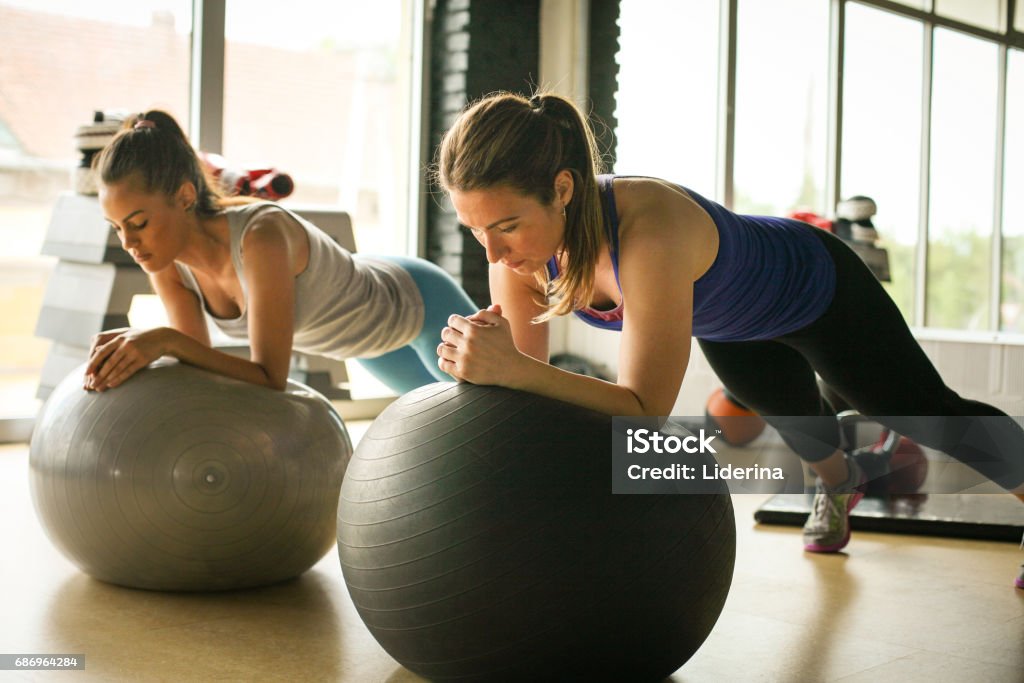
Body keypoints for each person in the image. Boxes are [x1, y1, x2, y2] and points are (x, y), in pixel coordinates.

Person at [432, 91, 1024, 587]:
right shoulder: (512, 255)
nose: (493, 252)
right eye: (475, 228)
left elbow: (644, 407)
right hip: (730, 324)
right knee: (797, 422)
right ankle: (844, 484)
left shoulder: (648, 226)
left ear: (562, 188)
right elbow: (528, 402)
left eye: (507, 225)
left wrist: (510, 367)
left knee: (923, 413)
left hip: (815, 288)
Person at [85, 110, 476, 396]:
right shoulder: (166, 262)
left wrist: (163, 339)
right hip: (363, 343)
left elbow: (270, 375)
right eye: (116, 227)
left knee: (497, 426)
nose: (128, 243)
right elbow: (197, 364)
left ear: (185, 196)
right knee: (454, 436)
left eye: (137, 223)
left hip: (414, 305)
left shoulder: (260, 236)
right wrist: (146, 348)